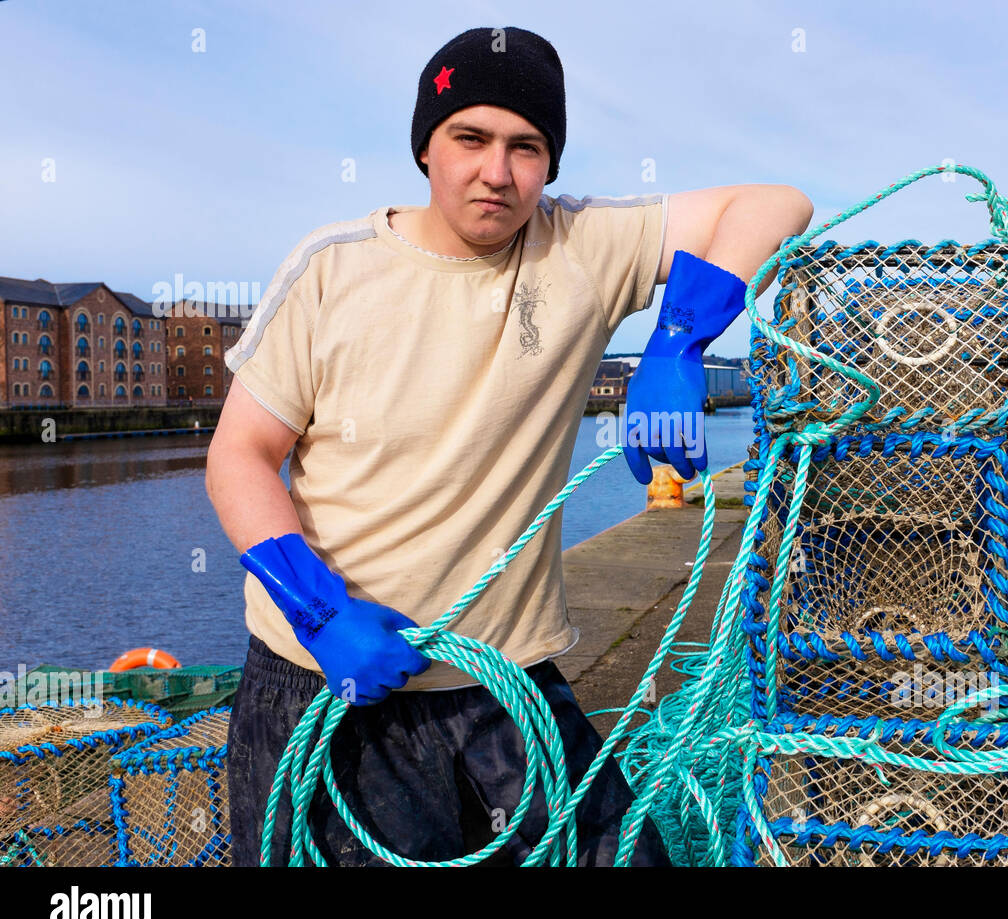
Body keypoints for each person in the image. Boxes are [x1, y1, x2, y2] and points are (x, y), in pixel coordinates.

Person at [205, 25, 813, 866]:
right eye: (470, 138)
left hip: (507, 682)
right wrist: (319, 611)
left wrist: (680, 339)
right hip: (329, 679)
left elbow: (776, 205)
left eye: (526, 147)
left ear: (550, 164)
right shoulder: (328, 270)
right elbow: (239, 454)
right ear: (426, 147)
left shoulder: (581, 245)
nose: (497, 173)